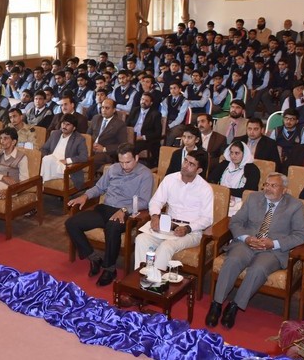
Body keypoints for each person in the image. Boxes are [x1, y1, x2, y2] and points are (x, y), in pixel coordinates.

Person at [206, 173, 304, 330]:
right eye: (266, 184)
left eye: (273, 185)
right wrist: (246, 238)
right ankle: (216, 304)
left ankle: (234, 306)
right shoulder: (253, 198)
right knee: (233, 260)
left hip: (272, 250)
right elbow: (235, 222)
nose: (268, 188)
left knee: (258, 269)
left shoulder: (295, 205)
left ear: (284, 190)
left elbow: (300, 235)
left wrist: (273, 244)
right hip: (247, 243)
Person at [65, 144, 154, 286]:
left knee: (112, 227)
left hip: (125, 213)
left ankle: (110, 269)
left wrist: (124, 210)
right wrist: (85, 196)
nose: (124, 166)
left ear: (136, 158)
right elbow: (99, 188)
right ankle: (94, 258)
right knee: (71, 223)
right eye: (121, 162)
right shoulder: (113, 169)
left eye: (128, 162)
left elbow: (144, 202)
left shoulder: (145, 174)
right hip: (105, 209)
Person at [129, 150, 213, 298]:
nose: (185, 165)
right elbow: (156, 201)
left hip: (191, 232)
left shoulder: (205, 188)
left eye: (191, 164)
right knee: (141, 239)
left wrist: (188, 228)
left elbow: (207, 219)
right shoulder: (170, 179)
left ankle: (154, 289)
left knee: (166, 246)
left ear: (199, 170)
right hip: (168, 226)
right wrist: (155, 216)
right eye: (185, 161)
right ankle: (140, 283)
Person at [208, 141, 260, 216]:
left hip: (241, 201)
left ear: (244, 154)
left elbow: (248, 191)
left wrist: (227, 192)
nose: (233, 156)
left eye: (237, 153)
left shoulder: (252, 169)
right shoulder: (225, 164)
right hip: (221, 197)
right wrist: (222, 192)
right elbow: (211, 180)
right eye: (231, 153)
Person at [39, 113, 89, 188]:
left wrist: (67, 161)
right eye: (63, 123)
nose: (64, 126)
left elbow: (84, 157)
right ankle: (42, 184)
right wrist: (50, 158)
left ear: (74, 128)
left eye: (68, 124)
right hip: (50, 163)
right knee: (47, 159)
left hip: (66, 168)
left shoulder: (79, 139)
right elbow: (43, 149)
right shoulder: (55, 134)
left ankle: (41, 185)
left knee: (46, 161)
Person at [88, 98, 128, 172]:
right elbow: (88, 135)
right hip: (91, 148)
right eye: (102, 107)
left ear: (114, 110)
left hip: (107, 153)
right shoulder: (96, 118)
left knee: (91, 160)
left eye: (107, 108)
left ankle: (85, 178)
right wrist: (90, 144)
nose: (103, 110)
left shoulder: (120, 124)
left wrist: (104, 149)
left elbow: (123, 145)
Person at [126, 92, 163, 166]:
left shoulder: (155, 114)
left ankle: (130, 166)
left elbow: (158, 132)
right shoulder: (135, 110)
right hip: (131, 136)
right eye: (142, 99)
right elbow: (126, 125)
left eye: (146, 100)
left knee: (133, 147)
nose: (143, 102)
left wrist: (142, 137)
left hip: (145, 140)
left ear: (151, 103)